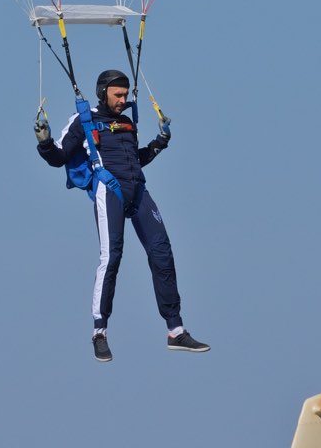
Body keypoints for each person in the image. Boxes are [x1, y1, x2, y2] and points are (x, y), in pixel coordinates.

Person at [35, 68, 209, 361]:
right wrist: (44, 143)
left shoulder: (126, 123)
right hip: (109, 188)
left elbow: (135, 160)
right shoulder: (85, 120)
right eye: (118, 94)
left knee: (162, 252)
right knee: (111, 256)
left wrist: (158, 144)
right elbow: (60, 157)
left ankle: (176, 331)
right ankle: (99, 332)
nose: (123, 99)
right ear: (103, 93)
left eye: (126, 94)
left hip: (138, 189)